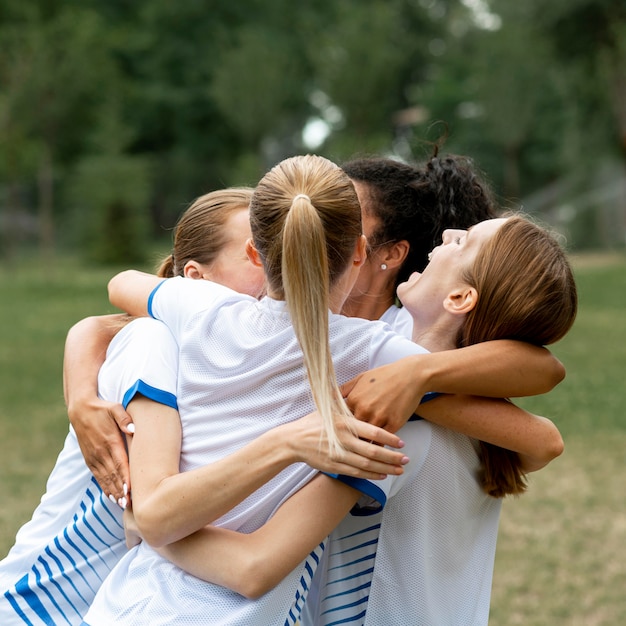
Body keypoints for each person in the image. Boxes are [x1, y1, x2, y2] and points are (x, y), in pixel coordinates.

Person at [82, 156, 565, 625]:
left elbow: (121, 284)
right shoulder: (376, 351)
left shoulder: (213, 313)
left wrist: (155, 525)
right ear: (358, 252)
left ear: (256, 251)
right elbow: (541, 410)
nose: (447, 238)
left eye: (464, 243)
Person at [0, 187, 402, 626]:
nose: (292, 253)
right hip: (44, 605)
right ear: (194, 279)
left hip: (123, 600)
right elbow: (152, 514)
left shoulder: (254, 365)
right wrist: (81, 399)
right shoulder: (154, 341)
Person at [340, 151, 498, 334]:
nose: (321, 231)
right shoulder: (303, 323)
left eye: (343, 219)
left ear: (393, 254)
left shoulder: (415, 335)